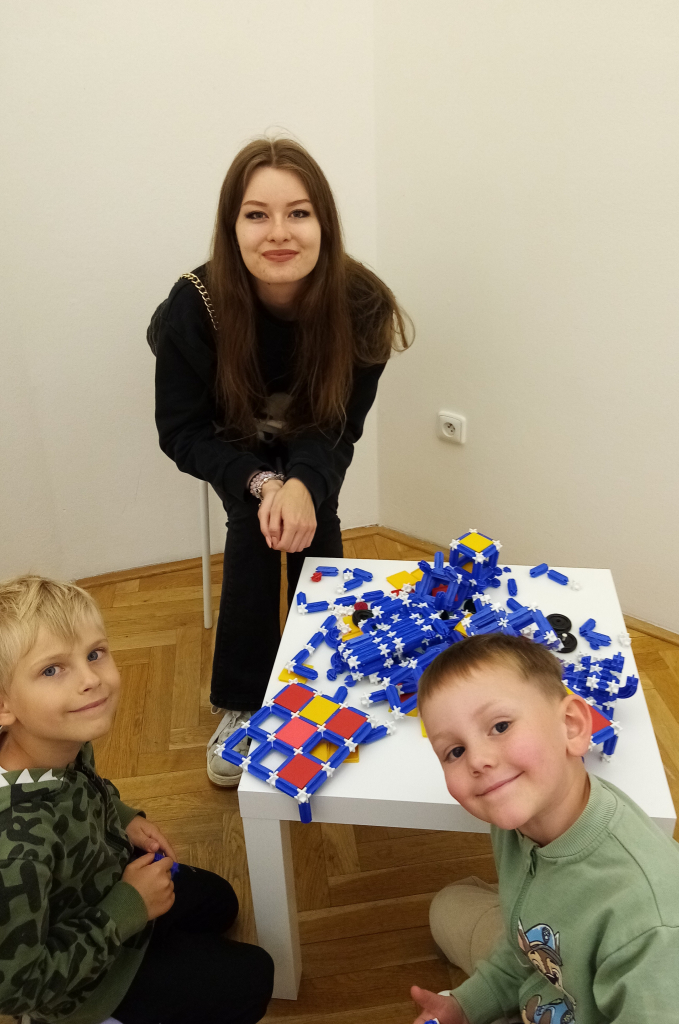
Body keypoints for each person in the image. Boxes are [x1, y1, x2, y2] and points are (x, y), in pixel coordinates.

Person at [151, 137, 411, 787]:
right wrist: (266, 483)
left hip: (311, 427)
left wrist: (303, 483)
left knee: (313, 510)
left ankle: (323, 680)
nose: (278, 233)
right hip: (227, 430)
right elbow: (182, 430)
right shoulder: (195, 305)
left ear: (324, 222)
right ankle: (244, 701)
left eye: (298, 213)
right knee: (256, 521)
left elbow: (336, 426)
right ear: (231, 226)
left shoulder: (362, 306)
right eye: (256, 214)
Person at [0, 575, 273, 1024]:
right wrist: (127, 908)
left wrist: (122, 817)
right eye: (52, 670)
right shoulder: (12, 854)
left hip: (102, 883)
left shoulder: (50, 732)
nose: (91, 680)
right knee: (254, 979)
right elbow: (9, 988)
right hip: (83, 986)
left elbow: (80, 785)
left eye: (94, 654)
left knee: (221, 903)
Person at [410, 634, 679, 1024]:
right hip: (554, 978)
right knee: (446, 905)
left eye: (500, 726)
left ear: (571, 727)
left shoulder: (654, 927)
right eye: (455, 751)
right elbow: (527, 940)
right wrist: (466, 1004)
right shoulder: (519, 808)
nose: (478, 761)